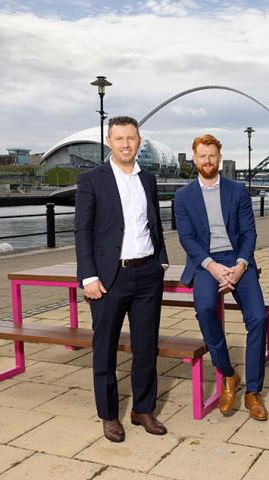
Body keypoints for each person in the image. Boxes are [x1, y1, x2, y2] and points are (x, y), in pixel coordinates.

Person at [75, 116, 169, 442]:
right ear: (109, 141)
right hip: (108, 277)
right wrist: (87, 276)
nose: (126, 144)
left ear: (139, 141)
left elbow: (153, 223)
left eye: (131, 138)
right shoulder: (92, 180)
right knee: (105, 349)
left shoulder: (149, 180)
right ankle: (109, 415)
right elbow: (82, 231)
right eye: (119, 139)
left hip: (147, 274)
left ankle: (143, 409)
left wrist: (161, 260)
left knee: (145, 347)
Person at [174, 134, 269, 421]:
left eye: (212, 155)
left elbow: (249, 232)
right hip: (205, 262)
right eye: (202, 156)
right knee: (203, 308)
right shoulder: (183, 196)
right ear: (194, 158)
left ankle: (253, 391)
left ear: (219, 157)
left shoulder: (237, 190)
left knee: (258, 318)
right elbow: (187, 238)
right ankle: (228, 374)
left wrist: (240, 266)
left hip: (238, 258)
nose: (207, 161)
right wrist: (213, 266)